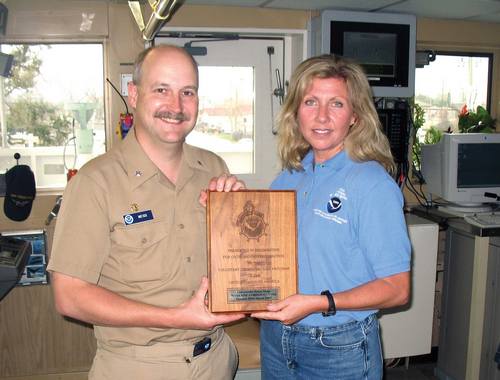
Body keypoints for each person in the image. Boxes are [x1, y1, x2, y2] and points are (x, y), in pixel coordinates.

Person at [47, 45, 246, 380]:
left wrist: (239, 216)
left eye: (187, 92)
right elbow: (70, 297)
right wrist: (178, 317)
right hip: (139, 366)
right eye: (161, 90)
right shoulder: (95, 182)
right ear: (134, 94)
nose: (176, 106)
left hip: (216, 359)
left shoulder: (213, 167)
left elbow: (234, 265)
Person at [251, 54, 411, 379]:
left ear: (354, 116)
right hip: (277, 337)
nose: (322, 116)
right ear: (296, 112)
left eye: (336, 104)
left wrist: (319, 303)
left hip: (339, 347)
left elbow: (397, 288)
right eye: (311, 101)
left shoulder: (370, 183)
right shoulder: (288, 178)